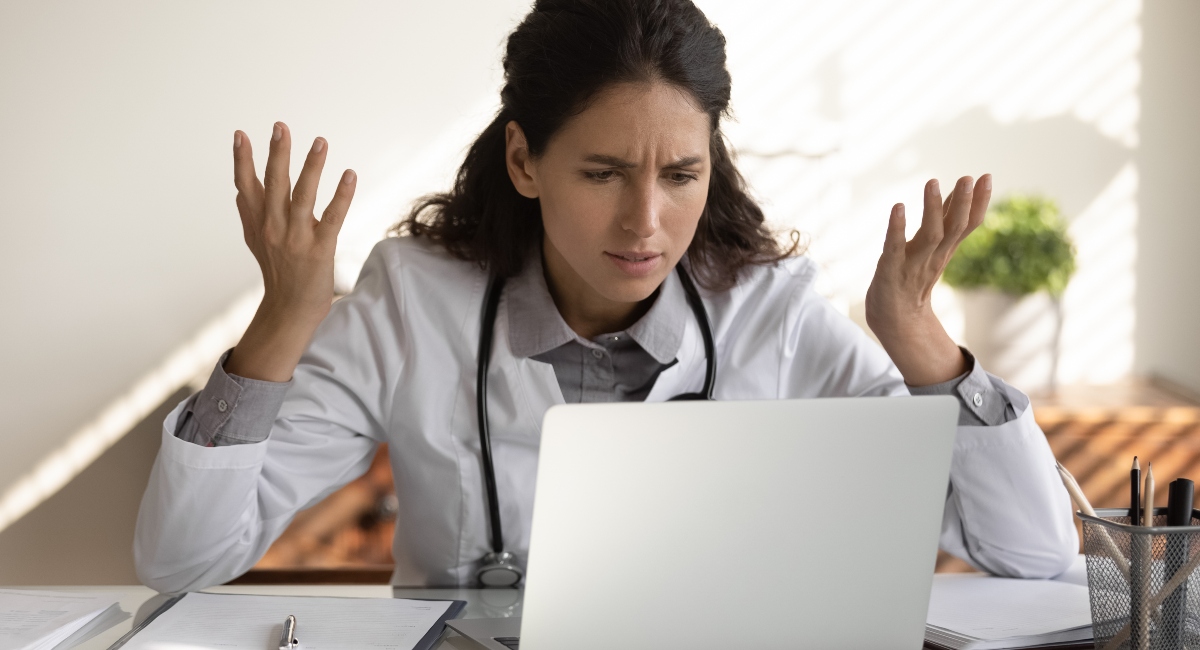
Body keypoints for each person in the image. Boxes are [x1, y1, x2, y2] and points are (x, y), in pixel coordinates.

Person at [134, 0, 1077, 593]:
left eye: (680, 173)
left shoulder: (770, 311)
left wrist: (918, 341)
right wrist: (286, 317)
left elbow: (1034, 555)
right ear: (523, 160)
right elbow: (182, 561)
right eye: (602, 172)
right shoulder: (414, 300)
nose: (646, 222)